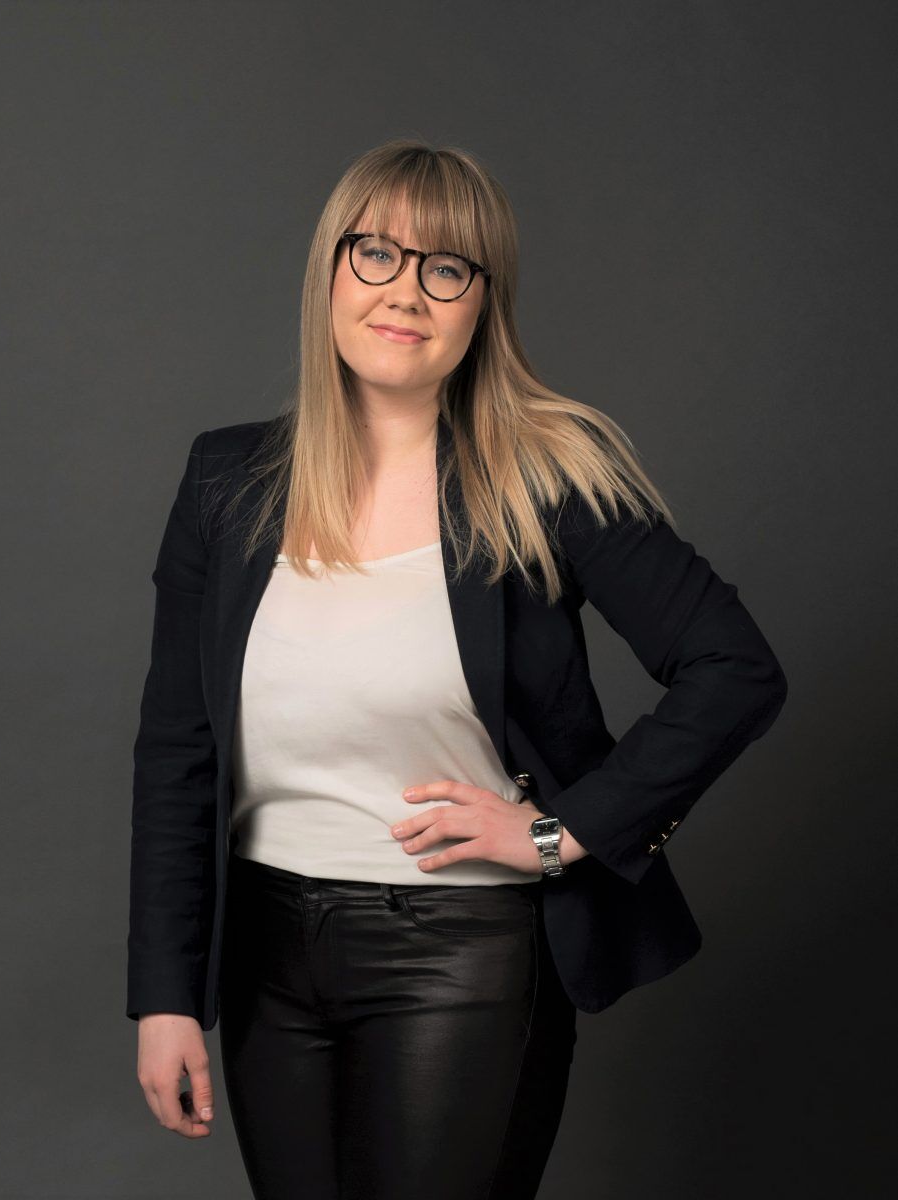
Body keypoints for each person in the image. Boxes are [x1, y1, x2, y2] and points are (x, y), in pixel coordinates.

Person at [127, 139, 788, 1200]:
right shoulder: (227, 479)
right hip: (264, 959)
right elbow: (178, 748)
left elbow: (734, 668)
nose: (405, 292)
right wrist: (166, 995)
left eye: (445, 268)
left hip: (463, 955)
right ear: (329, 272)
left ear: (484, 300)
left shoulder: (547, 476)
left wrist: (561, 833)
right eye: (376, 254)